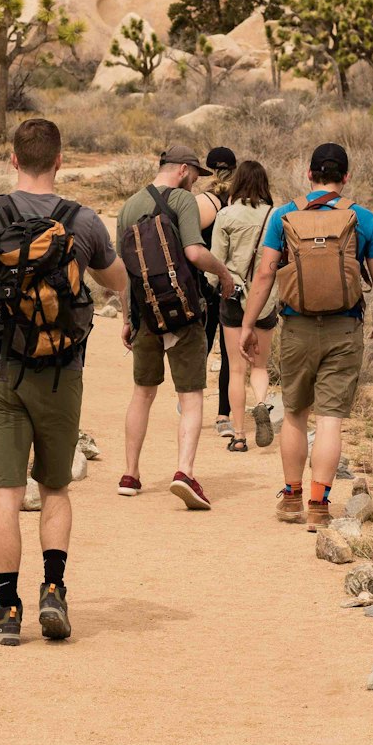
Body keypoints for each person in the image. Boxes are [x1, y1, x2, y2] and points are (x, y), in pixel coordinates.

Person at [0, 117, 128, 647]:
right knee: (56, 488)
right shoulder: (82, 221)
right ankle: (53, 591)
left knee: (5, 493)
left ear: (14, 160)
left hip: (3, 370)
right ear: (60, 161)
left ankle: (4, 609)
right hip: (62, 374)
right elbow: (115, 279)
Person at [241, 142, 373, 529]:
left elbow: (264, 275)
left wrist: (248, 323)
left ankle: (291, 498)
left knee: (294, 414)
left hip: (296, 326)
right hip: (345, 327)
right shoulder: (364, 219)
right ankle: (319, 504)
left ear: (309, 175)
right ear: (345, 178)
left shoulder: (284, 216)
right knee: (329, 420)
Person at [116, 143, 235, 509]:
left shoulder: (128, 207)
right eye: (195, 175)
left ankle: (131, 475)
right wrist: (225, 274)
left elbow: (123, 274)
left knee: (143, 393)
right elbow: (195, 253)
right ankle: (184, 472)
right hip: (183, 313)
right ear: (183, 169)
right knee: (191, 395)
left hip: (144, 314)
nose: (194, 181)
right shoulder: (183, 201)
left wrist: (126, 318)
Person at [210, 159, 278, 451]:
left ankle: (238, 435)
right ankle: (261, 403)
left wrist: (216, 287)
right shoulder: (276, 216)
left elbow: (215, 261)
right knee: (259, 366)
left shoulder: (225, 215)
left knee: (236, 370)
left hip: (234, 299)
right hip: (265, 300)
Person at [197, 147, 237, 436]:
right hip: (233, 284)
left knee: (201, 344)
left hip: (204, 283)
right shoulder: (241, 204)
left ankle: (193, 406)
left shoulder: (201, 202)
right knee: (229, 353)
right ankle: (224, 414)